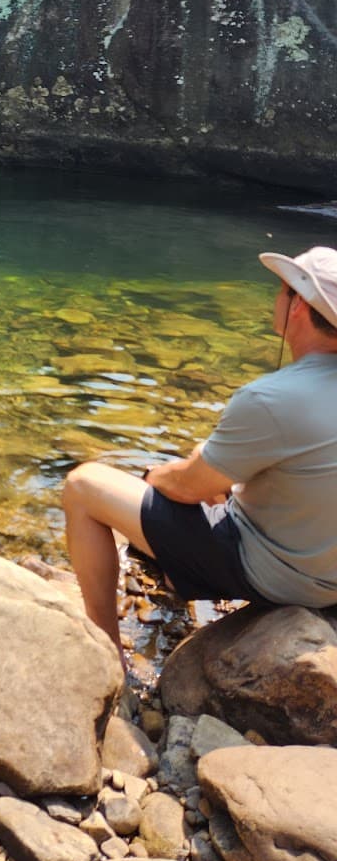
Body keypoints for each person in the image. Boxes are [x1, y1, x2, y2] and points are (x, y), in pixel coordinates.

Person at [62, 246, 337, 663]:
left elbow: (187, 489)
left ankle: (104, 649)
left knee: (84, 486)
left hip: (287, 579)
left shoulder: (269, 399)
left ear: (297, 305)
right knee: (208, 462)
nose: (276, 299)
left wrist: (157, 477)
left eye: (280, 291)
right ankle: (175, 576)